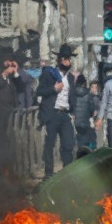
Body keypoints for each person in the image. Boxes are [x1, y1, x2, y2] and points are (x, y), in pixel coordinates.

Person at [36, 44, 77, 178]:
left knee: (68, 144)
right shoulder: (49, 74)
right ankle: (48, 174)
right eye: (65, 59)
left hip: (65, 114)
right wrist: (53, 89)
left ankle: (67, 173)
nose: (67, 62)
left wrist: (74, 110)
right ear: (60, 60)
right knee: (49, 145)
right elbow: (39, 91)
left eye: (69, 59)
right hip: (52, 113)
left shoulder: (70, 78)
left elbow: (73, 95)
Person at [73, 75, 98, 150]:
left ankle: (80, 152)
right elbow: (91, 109)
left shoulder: (73, 94)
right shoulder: (88, 94)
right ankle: (88, 154)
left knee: (80, 139)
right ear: (84, 83)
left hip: (76, 123)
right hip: (86, 122)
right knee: (89, 140)